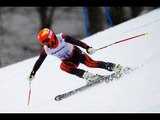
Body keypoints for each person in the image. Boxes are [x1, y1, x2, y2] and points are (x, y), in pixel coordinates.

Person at [28, 28, 124, 84]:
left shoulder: (62, 37)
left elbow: (76, 41)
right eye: (43, 42)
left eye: (46, 41)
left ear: (52, 36)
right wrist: (33, 73)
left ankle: (114, 67)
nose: (46, 44)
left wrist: (87, 47)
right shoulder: (46, 49)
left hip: (76, 53)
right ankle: (89, 76)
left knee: (91, 63)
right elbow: (39, 61)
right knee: (63, 67)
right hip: (68, 61)